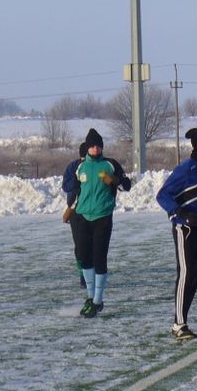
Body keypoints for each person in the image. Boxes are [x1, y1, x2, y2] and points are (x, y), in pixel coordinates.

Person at [156, 127, 197, 340]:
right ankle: (178, 325)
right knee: (185, 273)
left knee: (194, 276)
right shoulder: (186, 168)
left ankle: (182, 322)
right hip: (186, 228)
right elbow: (162, 196)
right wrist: (180, 212)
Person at [74, 129, 131, 318]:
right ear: (87, 147)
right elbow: (73, 190)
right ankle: (90, 297)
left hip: (103, 217)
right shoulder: (80, 167)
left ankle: (97, 300)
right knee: (83, 256)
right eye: (92, 145)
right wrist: (71, 208)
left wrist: (114, 181)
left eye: (98, 145)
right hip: (83, 216)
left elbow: (126, 186)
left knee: (99, 257)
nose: (95, 148)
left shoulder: (110, 164)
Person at [61, 141, 89, 288]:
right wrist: (79, 181)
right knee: (79, 245)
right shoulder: (73, 167)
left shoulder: (98, 166)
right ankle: (83, 274)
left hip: (92, 210)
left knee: (91, 245)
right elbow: (66, 186)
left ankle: (90, 272)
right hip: (76, 211)